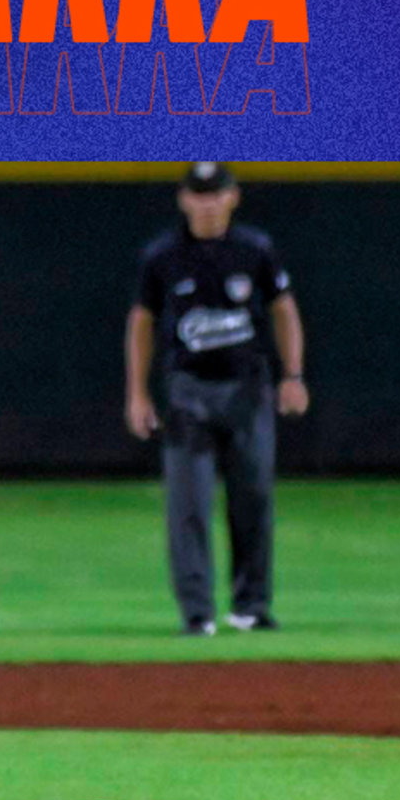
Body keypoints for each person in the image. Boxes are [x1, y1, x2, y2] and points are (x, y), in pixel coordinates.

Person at [124, 161, 308, 635]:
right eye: (199, 194)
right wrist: (138, 393)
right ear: (184, 200)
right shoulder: (163, 256)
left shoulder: (254, 249)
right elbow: (141, 322)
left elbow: (284, 309)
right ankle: (197, 612)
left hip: (248, 389)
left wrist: (293, 374)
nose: (207, 204)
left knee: (254, 499)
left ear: (233, 197)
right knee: (188, 504)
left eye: (215, 194)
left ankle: (251, 606)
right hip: (188, 390)